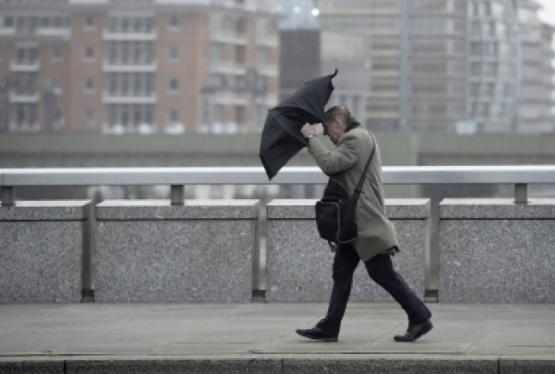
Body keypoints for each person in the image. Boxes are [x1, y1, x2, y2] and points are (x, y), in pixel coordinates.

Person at [296, 105, 433, 343]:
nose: (327, 135)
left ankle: (419, 316)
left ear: (338, 123)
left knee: (382, 273)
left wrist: (311, 138)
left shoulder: (354, 140)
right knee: (341, 272)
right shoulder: (359, 137)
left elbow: (330, 164)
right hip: (353, 224)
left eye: (328, 129)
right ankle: (330, 327)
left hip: (364, 223)